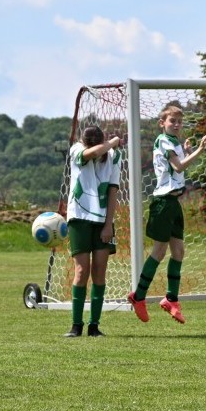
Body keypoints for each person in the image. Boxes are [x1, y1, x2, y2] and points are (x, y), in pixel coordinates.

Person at [127, 103, 206, 324]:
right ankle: (138, 296)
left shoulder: (174, 143)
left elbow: (178, 167)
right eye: (172, 121)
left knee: (179, 251)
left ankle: (171, 299)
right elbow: (179, 167)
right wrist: (199, 152)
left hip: (174, 203)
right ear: (162, 123)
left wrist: (188, 151)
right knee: (159, 251)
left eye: (179, 122)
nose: (176, 125)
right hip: (163, 202)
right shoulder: (163, 140)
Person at [64, 126, 122, 337]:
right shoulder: (76, 149)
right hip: (79, 218)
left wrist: (108, 224)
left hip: (102, 221)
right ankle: (76, 325)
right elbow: (93, 153)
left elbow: (113, 190)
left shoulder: (114, 156)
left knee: (99, 271)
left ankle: (94, 326)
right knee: (81, 271)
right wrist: (112, 142)